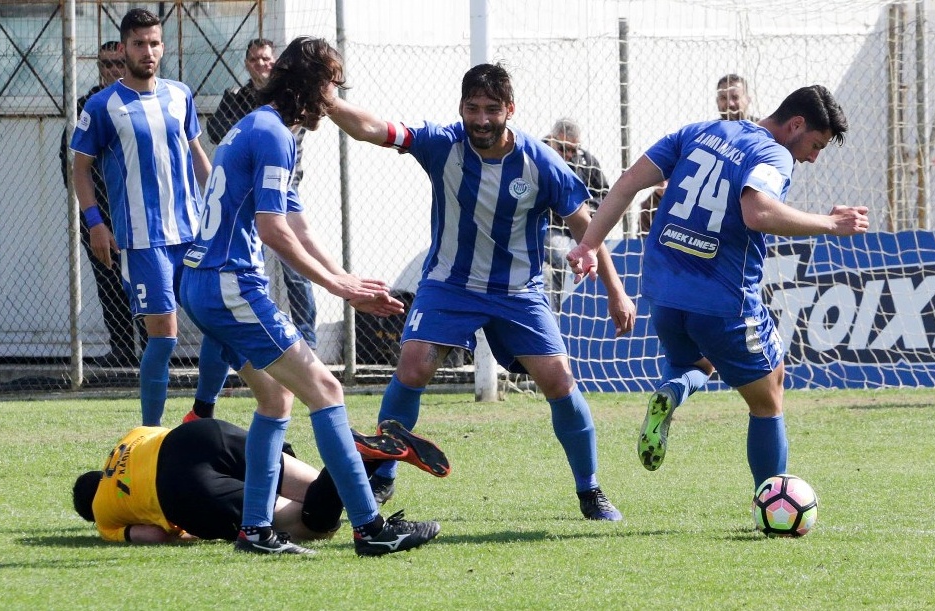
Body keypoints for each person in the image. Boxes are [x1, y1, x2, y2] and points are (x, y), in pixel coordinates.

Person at [327, 62, 637, 521]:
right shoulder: (440, 143)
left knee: (559, 381)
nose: (482, 119)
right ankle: (384, 472)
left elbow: (586, 227)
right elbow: (374, 128)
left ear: (510, 109)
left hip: (517, 291)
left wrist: (617, 291)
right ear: (461, 109)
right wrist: (327, 101)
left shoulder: (541, 162)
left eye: (492, 109)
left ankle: (590, 491)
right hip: (450, 284)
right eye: (473, 108)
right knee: (413, 366)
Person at [179, 36, 442, 556]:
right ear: (308, 85)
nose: (333, 97)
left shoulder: (263, 127)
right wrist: (337, 286)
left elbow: (295, 219)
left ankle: (256, 531)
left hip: (204, 282)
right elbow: (273, 230)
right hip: (227, 282)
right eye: (330, 85)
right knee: (326, 389)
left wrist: (346, 279)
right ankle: (370, 527)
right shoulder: (273, 133)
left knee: (276, 399)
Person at [567, 85, 868, 492]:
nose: (813, 157)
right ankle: (772, 503)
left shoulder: (699, 131)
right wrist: (830, 224)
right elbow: (757, 211)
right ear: (795, 124)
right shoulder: (775, 154)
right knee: (769, 395)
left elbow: (625, 184)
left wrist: (588, 245)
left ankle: (672, 393)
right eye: (815, 144)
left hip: (663, 292)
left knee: (699, 362)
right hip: (724, 299)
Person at [69, 9, 231, 427]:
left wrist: (221, 208)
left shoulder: (180, 94)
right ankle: (150, 434)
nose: (149, 51)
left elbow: (198, 155)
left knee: (219, 325)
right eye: (139, 43)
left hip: (192, 233)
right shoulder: (102, 105)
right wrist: (95, 223)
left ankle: (201, 412)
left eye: (155, 43)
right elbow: (80, 168)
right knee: (164, 338)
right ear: (124, 49)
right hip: (143, 240)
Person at [71, 417, 447, 547]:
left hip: (184, 489)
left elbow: (152, 536)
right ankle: (358, 452)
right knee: (321, 487)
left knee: (314, 525)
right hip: (199, 437)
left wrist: (185, 532)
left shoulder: (104, 517)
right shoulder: (127, 438)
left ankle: (363, 454)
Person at [205, 38, 319, 364]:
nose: (261, 65)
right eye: (255, 59)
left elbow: (296, 128)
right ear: (247, 64)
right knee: (246, 269)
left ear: (276, 63)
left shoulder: (287, 103)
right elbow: (217, 131)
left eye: (266, 59)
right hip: (243, 195)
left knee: (296, 269)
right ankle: (248, 349)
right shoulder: (237, 99)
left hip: (282, 191)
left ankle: (307, 344)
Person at [59, 40, 144, 367]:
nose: (112, 70)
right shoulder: (86, 105)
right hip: (98, 214)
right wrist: (89, 213)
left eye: (118, 63)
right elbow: (70, 163)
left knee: (142, 283)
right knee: (109, 284)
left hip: (135, 212)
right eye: (106, 64)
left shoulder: (140, 103)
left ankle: (151, 349)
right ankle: (121, 350)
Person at [640, 74, 762, 236]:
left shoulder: (762, 135)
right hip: (710, 202)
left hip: (749, 201)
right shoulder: (708, 134)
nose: (729, 104)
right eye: (723, 98)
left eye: (735, 97)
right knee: (652, 203)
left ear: (748, 99)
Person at [542, 118, 611, 311]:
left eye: (573, 149)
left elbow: (606, 194)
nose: (569, 154)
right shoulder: (539, 154)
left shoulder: (587, 161)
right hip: (549, 227)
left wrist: (589, 207)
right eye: (563, 148)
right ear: (551, 139)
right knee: (562, 256)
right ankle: (552, 315)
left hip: (579, 228)